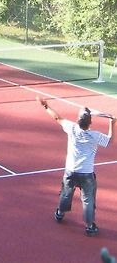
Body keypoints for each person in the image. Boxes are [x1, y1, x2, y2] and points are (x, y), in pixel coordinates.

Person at [36, 97, 115, 236]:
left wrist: (46, 107)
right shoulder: (94, 135)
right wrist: (112, 123)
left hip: (71, 170)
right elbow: (109, 141)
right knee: (88, 199)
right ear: (90, 122)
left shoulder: (71, 128)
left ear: (78, 120)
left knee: (66, 193)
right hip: (87, 174)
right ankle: (90, 227)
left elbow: (57, 118)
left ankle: (60, 213)